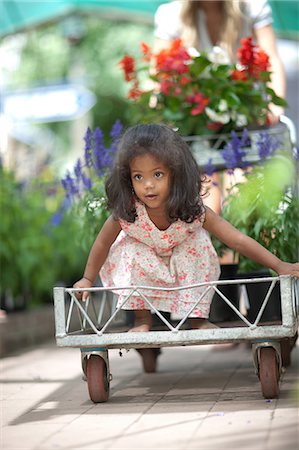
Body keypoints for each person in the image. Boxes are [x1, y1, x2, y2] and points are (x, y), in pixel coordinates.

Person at [74, 123, 299, 338]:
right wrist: (87, 278)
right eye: (138, 177)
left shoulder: (192, 210)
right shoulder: (128, 211)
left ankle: (197, 319)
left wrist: (279, 266)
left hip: (183, 260)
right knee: (130, 250)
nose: (148, 185)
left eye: (158, 174)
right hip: (145, 263)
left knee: (198, 244)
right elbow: (102, 243)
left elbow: (237, 240)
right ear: (127, 178)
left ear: (177, 174)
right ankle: (142, 319)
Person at [154, 0, 286, 219]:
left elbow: (270, 57)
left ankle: (243, 246)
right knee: (205, 200)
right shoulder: (170, 15)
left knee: (243, 196)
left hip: (247, 121)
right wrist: (160, 109)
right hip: (197, 128)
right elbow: (160, 72)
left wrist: (273, 106)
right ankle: (213, 248)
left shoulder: (253, 7)